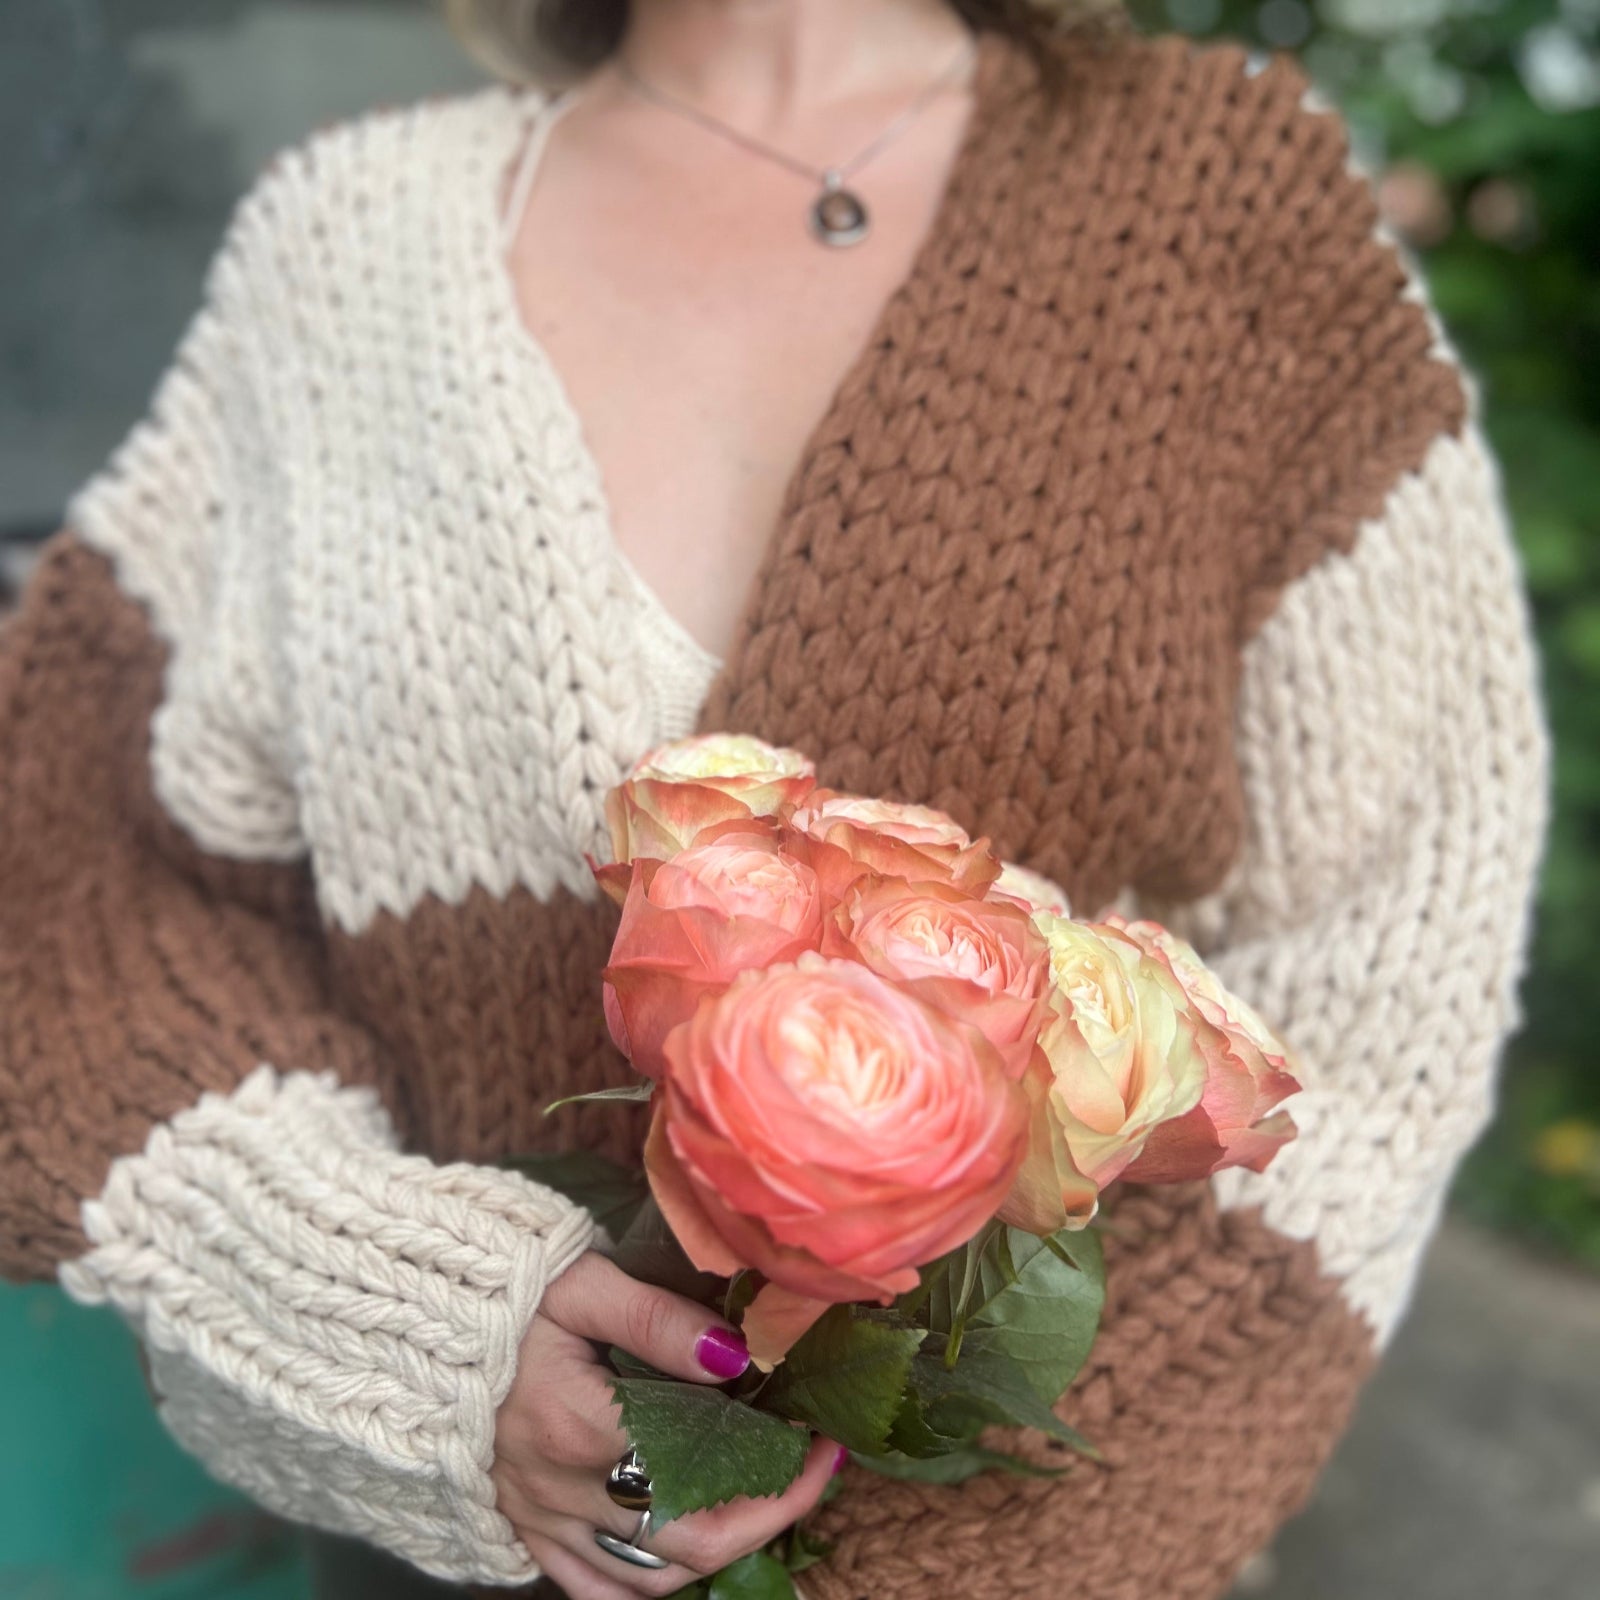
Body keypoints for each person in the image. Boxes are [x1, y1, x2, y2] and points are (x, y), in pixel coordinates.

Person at [0, 1, 1551, 1597]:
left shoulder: (1222, 215)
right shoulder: (344, 252)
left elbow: (1388, 971)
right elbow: (79, 868)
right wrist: (395, 1314)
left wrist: (967, 1551)